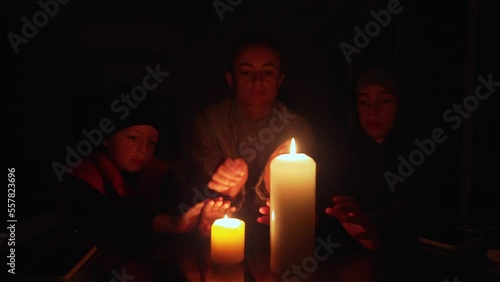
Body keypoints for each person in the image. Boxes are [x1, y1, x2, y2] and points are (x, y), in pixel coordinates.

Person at [59, 100, 235, 257]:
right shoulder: (81, 178)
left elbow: (181, 203)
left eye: (151, 142)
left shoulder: (157, 172)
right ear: (106, 139)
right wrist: (170, 224)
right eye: (133, 138)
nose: (143, 149)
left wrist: (202, 218)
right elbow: (110, 220)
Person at [187, 36, 316, 244]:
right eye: (246, 72)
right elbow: (197, 191)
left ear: (279, 80)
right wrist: (229, 191)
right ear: (231, 79)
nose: (257, 81)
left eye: (267, 72)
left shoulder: (298, 128)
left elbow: (300, 208)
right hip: (216, 241)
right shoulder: (209, 121)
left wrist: (268, 185)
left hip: (275, 241)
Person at [317, 65, 422, 251]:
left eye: (386, 100)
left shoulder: (419, 155)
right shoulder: (341, 151)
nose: (372, 110)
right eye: (364, 102)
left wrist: (376, 232)